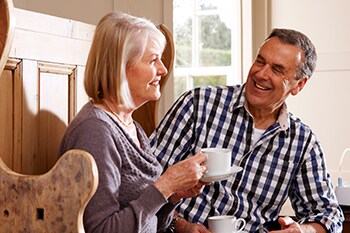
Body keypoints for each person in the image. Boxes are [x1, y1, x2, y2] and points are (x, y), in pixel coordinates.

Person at [150, 28, 344, 233]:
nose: (261, 74)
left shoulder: (303, 143)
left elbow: (329, 216)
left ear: (299, 85)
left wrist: (302, 231)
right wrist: (179, 224)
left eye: (277, 69)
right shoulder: (198, 104)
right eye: (260, 61)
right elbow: (143, 181)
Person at [58, 12, 208, 233]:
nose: (163, 70)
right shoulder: (95, 131)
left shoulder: (130, 125)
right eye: (152, 60)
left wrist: (172, 195)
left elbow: (149, 224)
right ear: (121, 68)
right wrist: (164, 186)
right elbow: (102, 229)